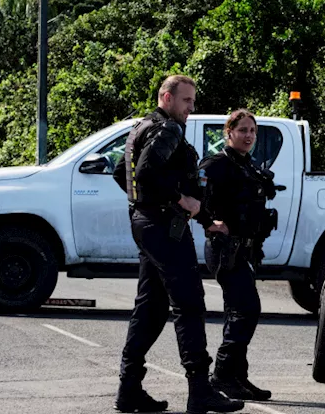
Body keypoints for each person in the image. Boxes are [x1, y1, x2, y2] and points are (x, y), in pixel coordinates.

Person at [111, 75, 241, 414]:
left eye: (192, 101)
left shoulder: (142, 127)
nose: (190, 108)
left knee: (151, 309)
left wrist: (197, 215)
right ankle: (200, 390)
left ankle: (129, 390)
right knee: (189, 305)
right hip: (163, 227)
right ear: (166, 98)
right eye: (186, 101)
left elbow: (120, 171)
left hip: (150, 225)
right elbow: (146, 173)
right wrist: (177, 199)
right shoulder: (166, 129)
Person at [200, 110, 278, 401]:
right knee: (246, 310)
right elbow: (198, 198)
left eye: (252, 131)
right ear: (228, 132)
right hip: (225, 249)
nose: (248, 136)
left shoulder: (248, 166)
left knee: (239, 311)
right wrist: (209, 222)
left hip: (246, 248)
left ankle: (237, 377)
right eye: (242, 130)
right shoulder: (216, 165)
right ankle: (221, 374)